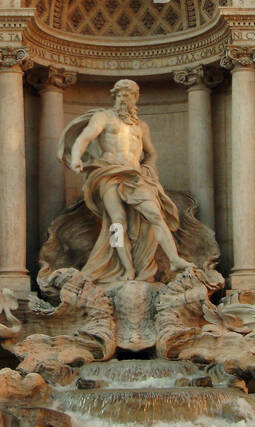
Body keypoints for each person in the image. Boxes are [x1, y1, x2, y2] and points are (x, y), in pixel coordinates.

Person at [59, 79, 192, 283]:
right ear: (114, 97)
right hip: (108, 173)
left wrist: (149, 169)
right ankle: (126, 268)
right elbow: (84, 138)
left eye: (128, 95)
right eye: (120, 94)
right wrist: (77, 157)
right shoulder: (104, 117)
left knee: (155, 215)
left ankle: (174, 259)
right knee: (117, 221)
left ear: (135, 98)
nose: (123, 98)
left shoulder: (141, 126)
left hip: (135, 176)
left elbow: (151, 153)